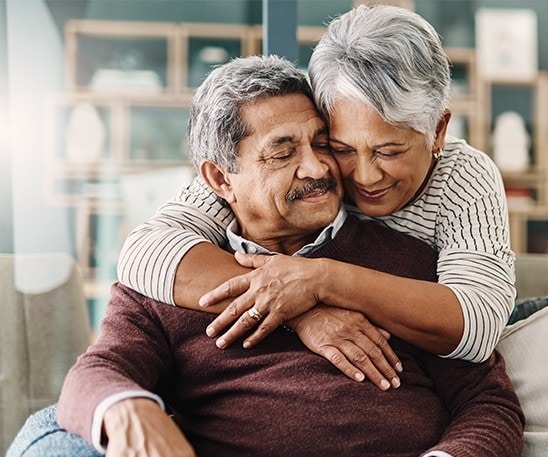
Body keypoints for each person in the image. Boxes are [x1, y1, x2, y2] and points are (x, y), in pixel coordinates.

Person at [8, 55, 523, 457]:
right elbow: (94, 375)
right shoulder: (169, 279)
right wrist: (126, 410)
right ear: (218, 179)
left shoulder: (406, 262)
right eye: (282, 153)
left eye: (323, 143)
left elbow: (488, 402)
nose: (317, 168)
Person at [116, 4, 516, 382]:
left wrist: (322, 280)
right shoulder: (310, 169)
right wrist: (304, 310)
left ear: (439, 131)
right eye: (341, 148)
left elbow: (479, 327)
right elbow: (144, 252)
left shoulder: (463, 177)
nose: (365, 177)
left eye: (389, 151)